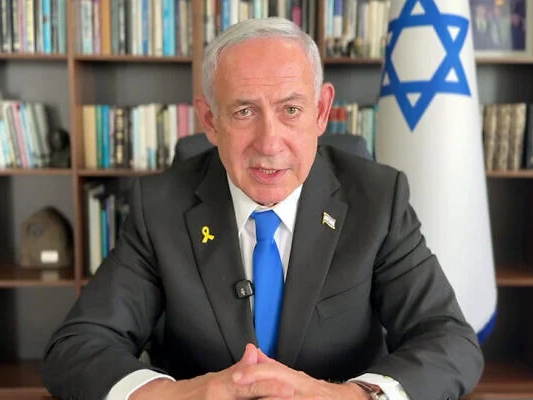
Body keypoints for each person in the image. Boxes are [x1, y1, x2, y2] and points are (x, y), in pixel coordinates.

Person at [42, 17, 483, 400]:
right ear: (211, 120)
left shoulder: (378, 199)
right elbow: (77, 346)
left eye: (291, 109)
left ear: (321, 111)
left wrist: (346, 395)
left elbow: (449, 340)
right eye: (244, 112)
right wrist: (187, 393)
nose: (270, 143)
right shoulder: (159, 206)